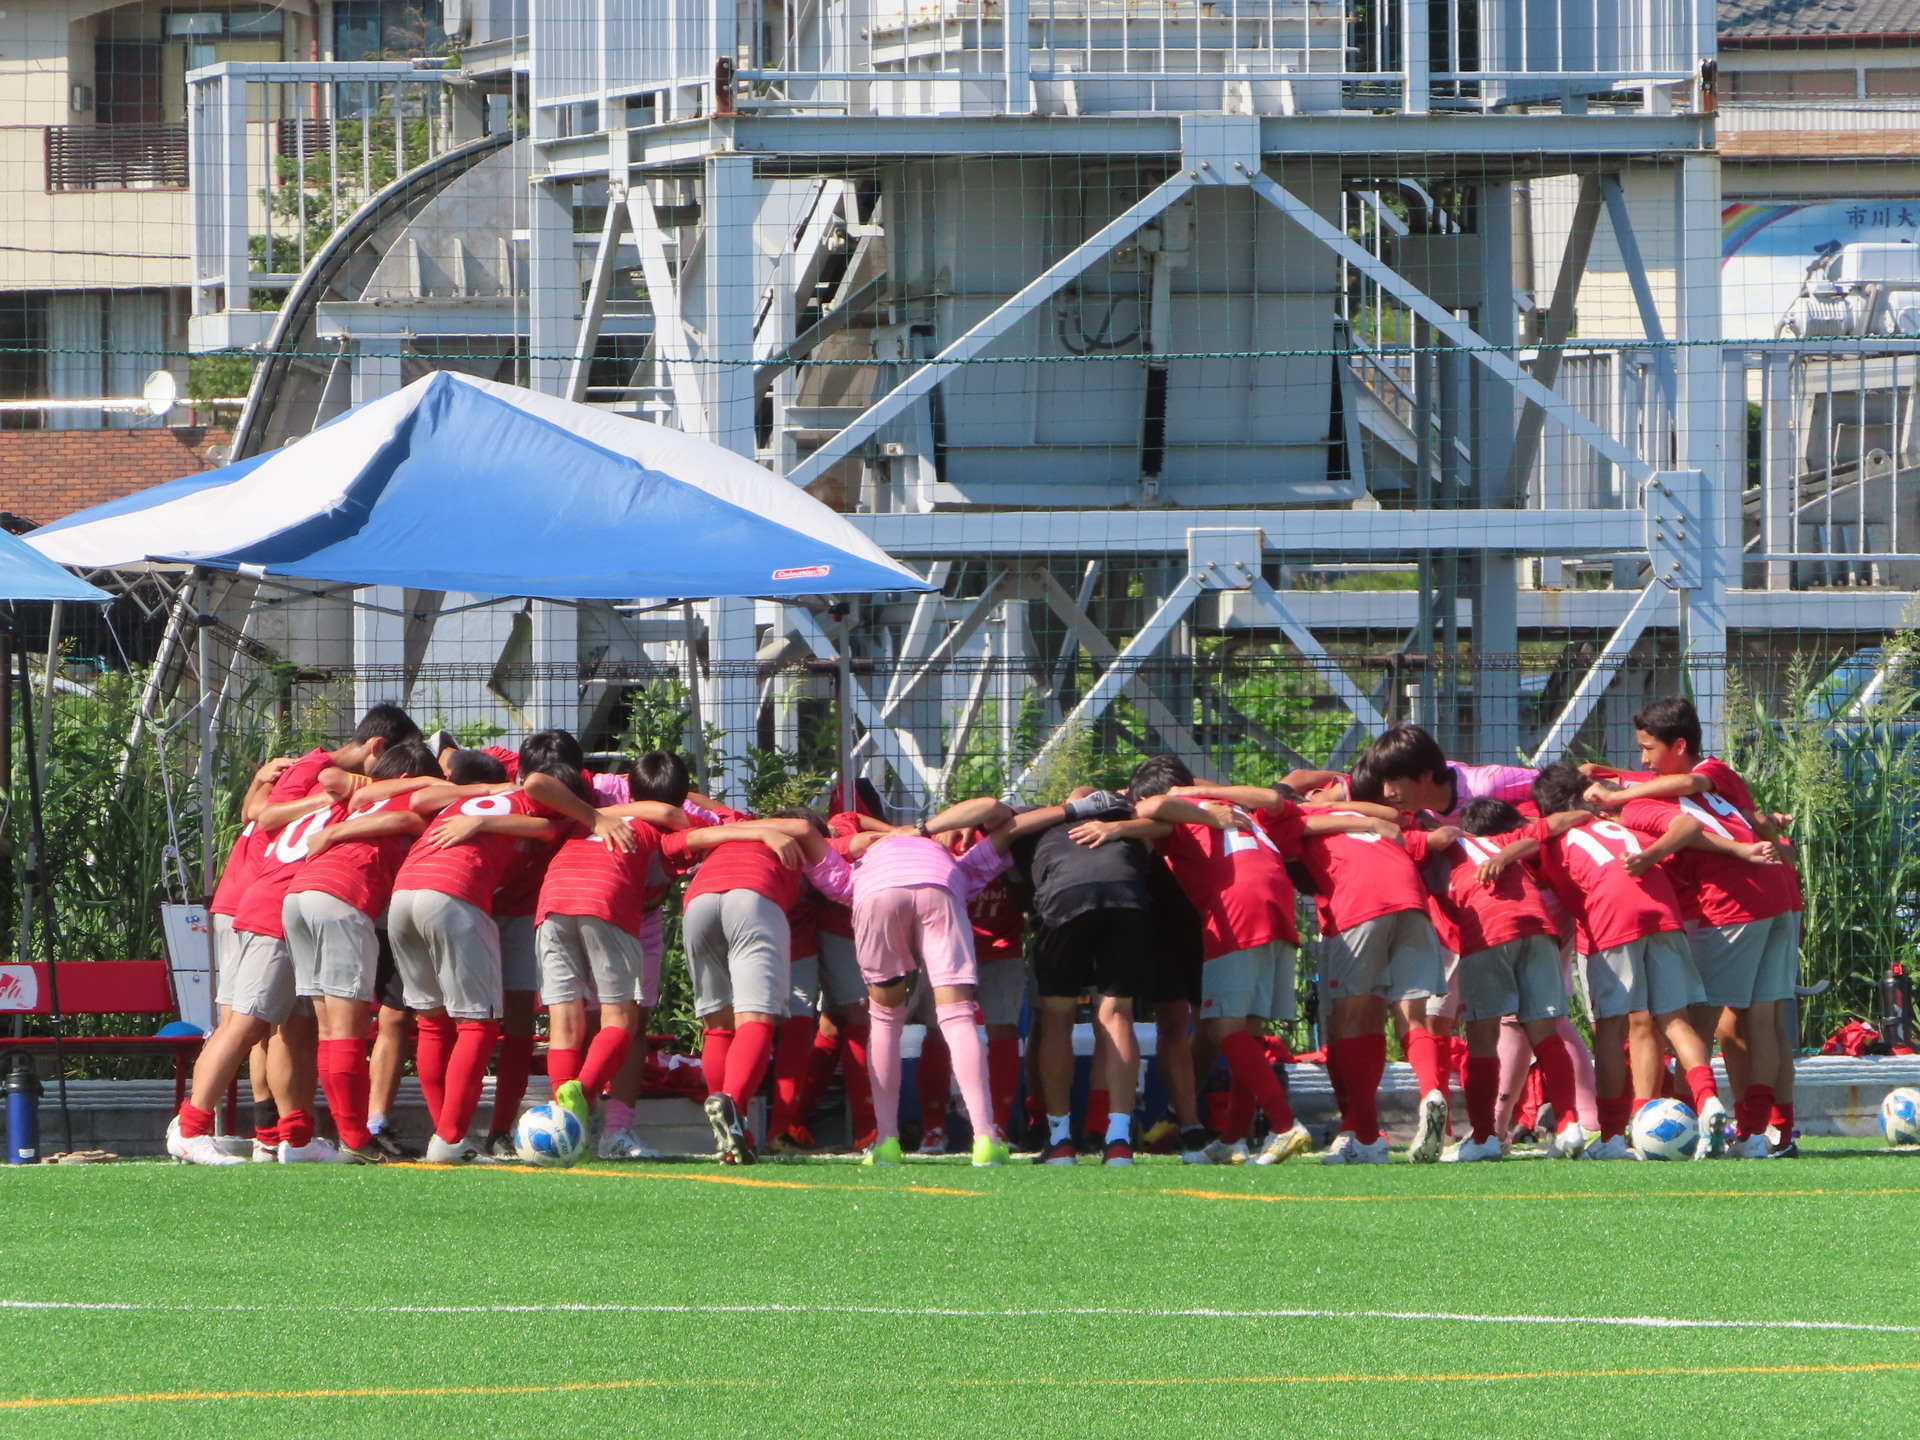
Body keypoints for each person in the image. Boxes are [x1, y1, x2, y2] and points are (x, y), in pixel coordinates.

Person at [1084, 759, 1394, 1165]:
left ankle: (1285, 1125)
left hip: (1237, 911)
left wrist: (1120, 825)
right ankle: (1233, 1137)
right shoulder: (1240, 806)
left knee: (1220, 1025)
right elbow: (1269, 798)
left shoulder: (1183, 812)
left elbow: (1153, 810)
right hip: (1280, 910)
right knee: (1248, 1030)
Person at [167, 704, 422, 1166]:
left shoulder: (335, 790)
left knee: (294, 1030)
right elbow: (259, 816)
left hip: (277, 904)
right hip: (272, 906)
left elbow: (261, 812)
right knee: (246, 1022)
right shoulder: (336, 785)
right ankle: (191, 1126)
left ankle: (297, 1137)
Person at [1584, 697, 1802, 1159]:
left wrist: (1620, 802)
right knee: (1759, 1021)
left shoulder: (1688, 783)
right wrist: (1614, 778)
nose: (1641, 760)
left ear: (1678, 745)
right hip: (1779, 893)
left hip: (1736, 903)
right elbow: (1686, 793)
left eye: (1647, 748)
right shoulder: (1687, 784)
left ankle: (1696, 1120)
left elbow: (1684, 818)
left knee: (1698, 1021)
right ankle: (1768, 1133)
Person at [1477, 763, 1725, 1160]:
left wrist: (1505, 855)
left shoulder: (1551, 835)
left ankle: (1610, 1134)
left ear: (1544, 809)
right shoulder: (1617, 822)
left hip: (1613, 915)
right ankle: (1707, 1099)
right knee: (1673, 1019)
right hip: (1662, 907)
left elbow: (1527, 842)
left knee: (1611, 1027)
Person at [804, 798, 1065, 1168]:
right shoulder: (958, 863)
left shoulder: (859, 865)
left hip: (874, 891)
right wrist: (1073, 809)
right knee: (958, 1017)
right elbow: (1007, 829)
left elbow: (816, 855)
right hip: (939, 886)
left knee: (884, 1019)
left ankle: (886, 1141)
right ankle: (986, 1138)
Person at [385, 733, 580, 1164]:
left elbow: (422, 799)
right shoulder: (526, 783)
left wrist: (481, 816)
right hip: (461, 898)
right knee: (478, 1025)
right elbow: (547, 821)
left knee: (438, 1024)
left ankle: (459, 1136)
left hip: (408, 893)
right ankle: (452, 1139)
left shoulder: (476, 795)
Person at [282, 740, 444, 1161]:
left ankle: (350, 1137)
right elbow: (409, 817)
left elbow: (336, 780)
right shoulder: (413, 799)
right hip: (341, 897)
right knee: (347, 1029)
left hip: (300, 895)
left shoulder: (362, 795)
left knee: (330, 1029)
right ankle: (355, 1140)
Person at [1008, 788, 1165, 1166]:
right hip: (1127, 897)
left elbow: (995, 823)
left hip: (1065, 898)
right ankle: (1119, 1141)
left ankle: (1060, 1141)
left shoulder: (1036, 817)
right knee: (1116, 1013)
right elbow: (1166, 825)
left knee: (1057, 1016)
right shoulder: (1123, 815)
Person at [1428, 800, 1591, 1161]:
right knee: (1545, 1032)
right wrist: (1592, 809)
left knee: (1482, 1037)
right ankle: (1568, 1127)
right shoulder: (1505, 840)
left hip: (1489, 930)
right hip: (1539, 926)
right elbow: (1560, 823)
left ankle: (1485, 1137)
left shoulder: (1438, 849)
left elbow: (1443, 909)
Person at [535, 787, 689, 1141]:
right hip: (606, 901)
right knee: (621, 1018)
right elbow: (675, 818)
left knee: (564, 1024)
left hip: (552, 902)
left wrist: (594, 812)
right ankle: (582, 1093)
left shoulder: (579, 819)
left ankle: (562, 1121)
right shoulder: (654, 829)